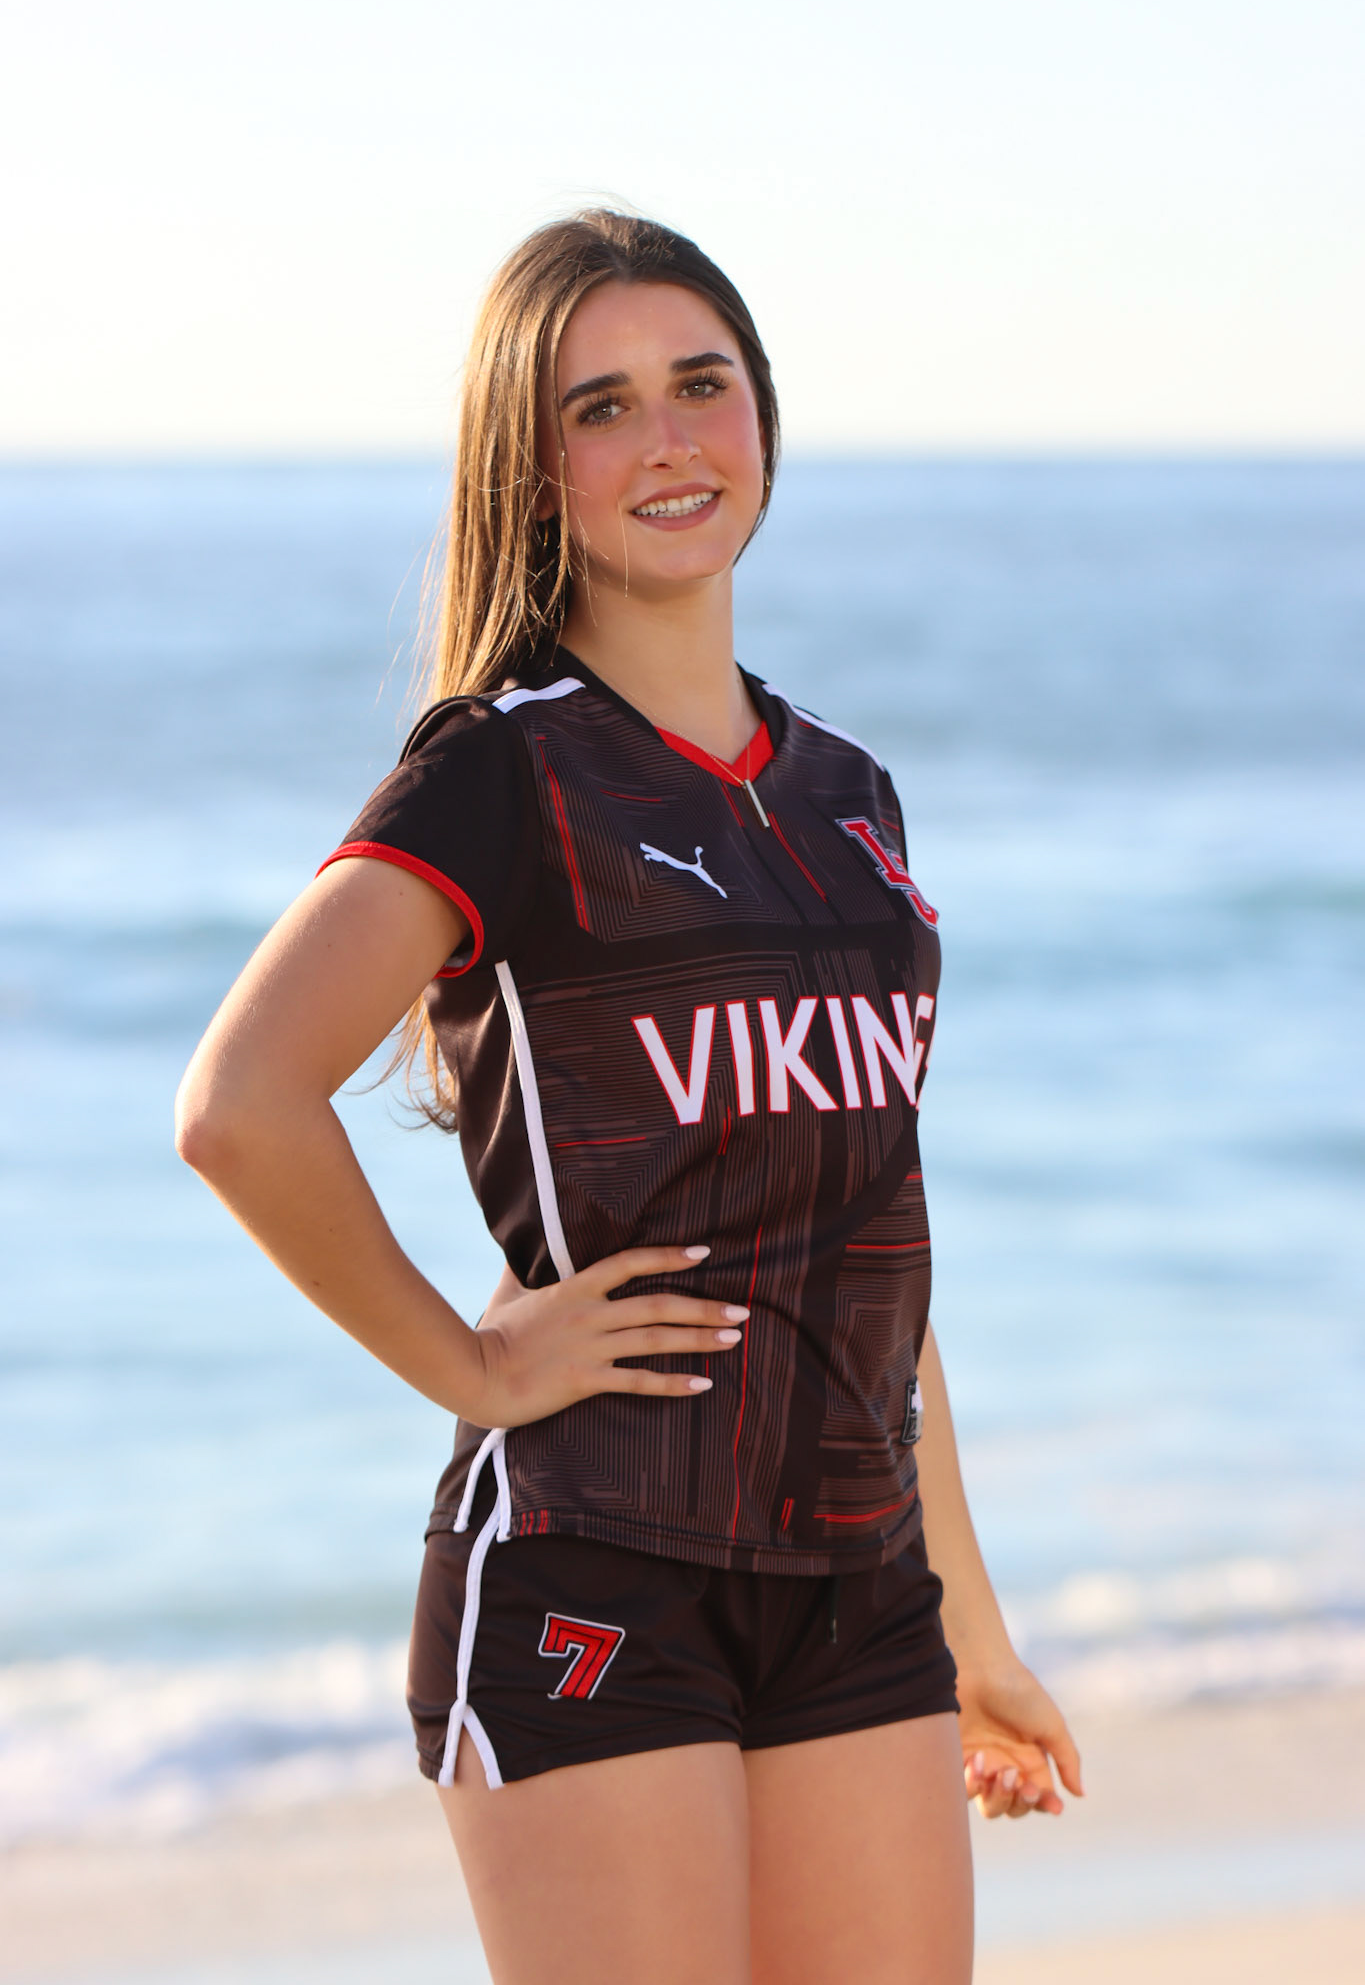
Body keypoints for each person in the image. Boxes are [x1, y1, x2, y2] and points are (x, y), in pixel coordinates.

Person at [176, 210, 1082, 1985]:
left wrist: (970, 1628)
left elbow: (869, 1244)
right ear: (532, 474)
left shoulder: (846, 798)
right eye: (600, 408)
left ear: (762, 416)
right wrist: (473, 1366)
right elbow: (242, 1105)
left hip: (858, 1593)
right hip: (593, 1568)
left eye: (701, 385)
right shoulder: (499, 770)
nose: (668, 440)